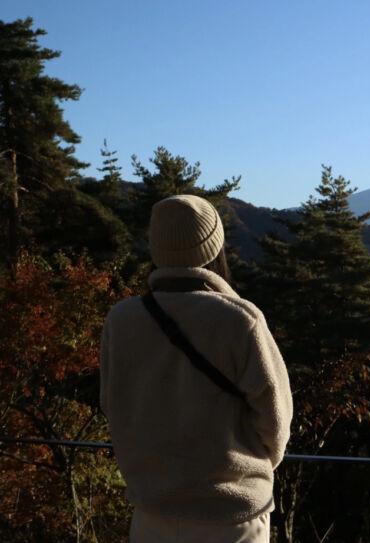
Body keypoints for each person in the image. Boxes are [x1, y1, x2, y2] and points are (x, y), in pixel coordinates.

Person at [100, 194, 292, 543]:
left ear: (157, 248)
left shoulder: (121, 319)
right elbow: (275, 422)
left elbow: (113, 406)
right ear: (213, 249)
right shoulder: (239, 320)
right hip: (232, 518)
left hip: (151, 515)